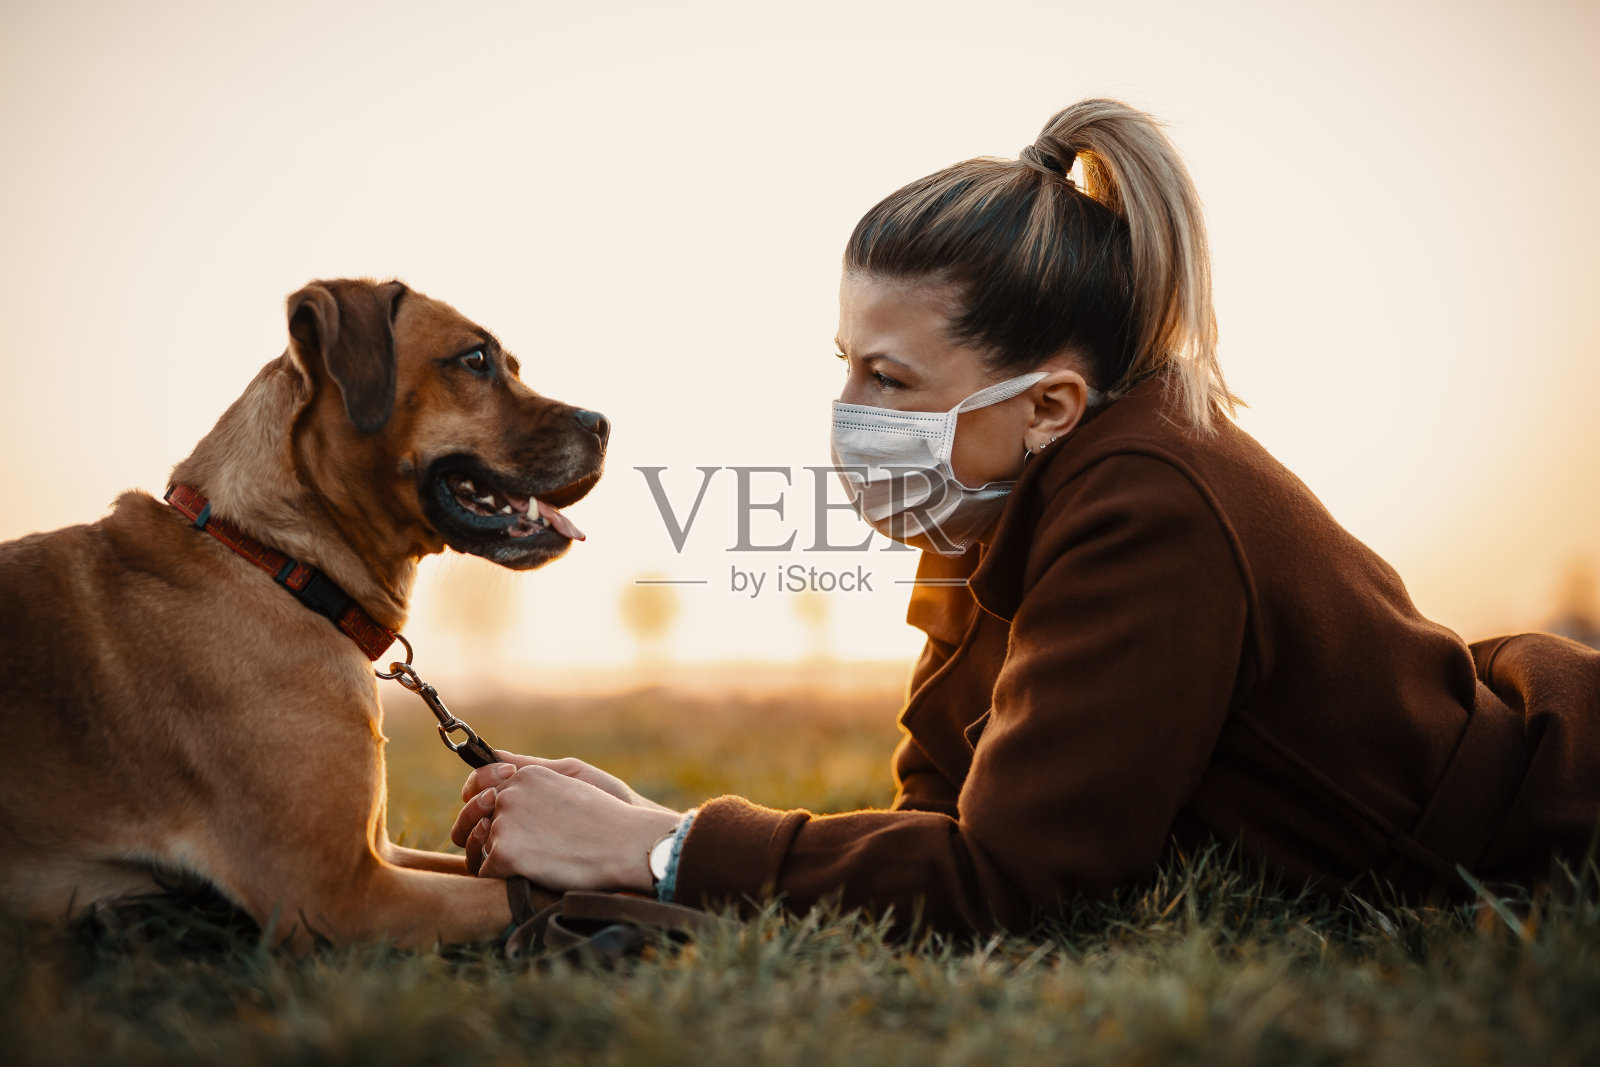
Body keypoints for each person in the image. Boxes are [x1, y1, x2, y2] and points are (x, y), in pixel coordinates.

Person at [451, 99, 1600, 936]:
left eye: (890, 380)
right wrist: (661, 826)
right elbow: (943, 808)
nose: (846, 413)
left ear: (1046, 402)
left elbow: (1008, 881)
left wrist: (662, 849)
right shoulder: (990, 507)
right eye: (845, 365)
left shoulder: (1148, 504)